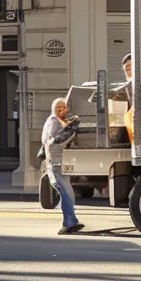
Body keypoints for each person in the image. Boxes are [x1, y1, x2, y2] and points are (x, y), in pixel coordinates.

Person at [41, 97, 84, 234]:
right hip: (55, 164)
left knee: (68, 194)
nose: (66, 111)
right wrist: (71, 130)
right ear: (57, 110)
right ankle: (68, 224)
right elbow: (51, 140)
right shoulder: (53, 121)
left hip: (59, 163)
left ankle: (71, 221)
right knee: (66, 194)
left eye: (65, 108)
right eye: (63, 108)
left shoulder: (58, 121)